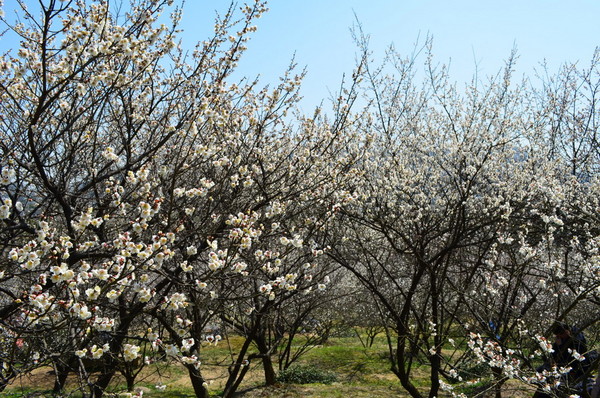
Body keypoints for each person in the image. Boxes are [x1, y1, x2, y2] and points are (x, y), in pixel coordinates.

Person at [533, 322, 591, 398]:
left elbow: (576, 357)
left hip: (574, 369)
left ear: (567, 331)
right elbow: (554, 356)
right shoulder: (561, 340)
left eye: (561, 334)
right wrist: (558, 345)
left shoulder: (577, 340)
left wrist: (560, 346)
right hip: (560, 367)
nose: (559, 336)